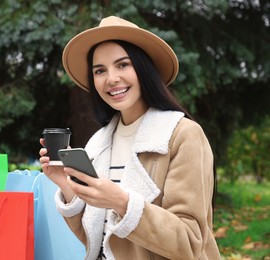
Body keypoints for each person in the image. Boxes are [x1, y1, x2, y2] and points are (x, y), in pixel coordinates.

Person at [39, 16, 220, 260]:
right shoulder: (98, 143)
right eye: (100, 70)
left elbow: (189, 241)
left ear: (144, 69)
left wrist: (123, 203)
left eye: (123, 65)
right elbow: (99, 241)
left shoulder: (182, 135)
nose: (111, 78)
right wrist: (66, 186)